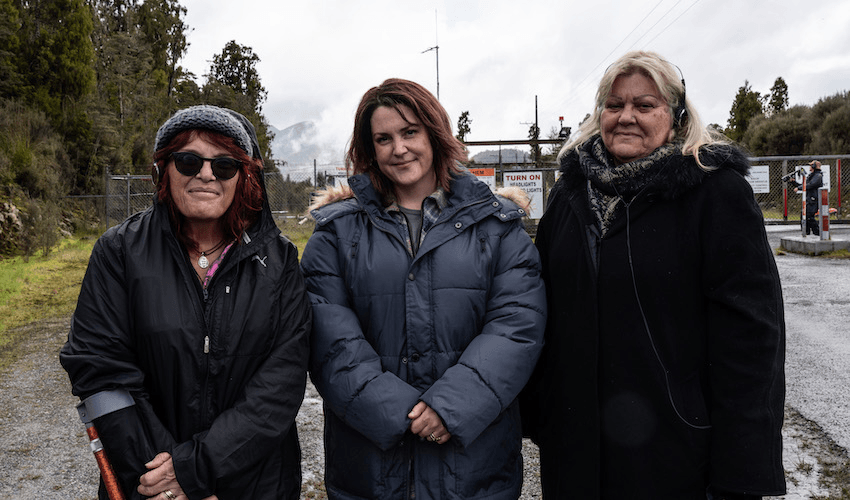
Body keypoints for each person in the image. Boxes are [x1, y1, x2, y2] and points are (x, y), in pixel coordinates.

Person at [520, 51, 786, 499]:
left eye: (644, 105)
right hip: (577, 454)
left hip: (676, 455)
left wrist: (741, 473)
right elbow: (537, 312)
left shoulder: (715, 193)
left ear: (676, 115)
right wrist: (542, 414)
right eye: (614, 104)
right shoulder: (569, 195)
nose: (626, 117)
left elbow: (752, 342)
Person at [300, 78, 546, 500]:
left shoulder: (498, 226)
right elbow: (328, 335)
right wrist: (399, 412)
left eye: (410, 132)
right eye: (384, 138)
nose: (399, 148)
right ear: (369, 149)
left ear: (434, 133)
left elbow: (517, 326)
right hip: (371, 467)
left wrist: (450, 407)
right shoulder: (337, 233)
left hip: (473, 468)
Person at [60, 105, 311, 500]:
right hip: (151, 486)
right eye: (188, 160)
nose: (206, 174)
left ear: (243, 176)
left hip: (256, 484)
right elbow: (100, 372)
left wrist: (195, 468)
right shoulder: (119, 252)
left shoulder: (280, 261)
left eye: (224, 164)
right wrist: (169, 483)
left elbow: (281, 384)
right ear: (164, 170)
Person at [793, 160, 824, 235]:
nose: (810, 168)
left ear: (814, 167)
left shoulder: (818, 176)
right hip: (809, 199)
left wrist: (799, 188)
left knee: (809, 216)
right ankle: (806, 232)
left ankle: (817, 232)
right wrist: (793, 182)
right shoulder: (812, 175)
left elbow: (810, 185)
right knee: (804, 216)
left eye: (811, 166)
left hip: (813, 199)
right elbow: (804, 185)